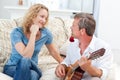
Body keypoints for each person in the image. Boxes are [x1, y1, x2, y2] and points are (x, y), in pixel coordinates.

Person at [3, 3, 63, 80]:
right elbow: (26, 55)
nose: (44, 20)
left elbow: (53, 52)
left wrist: (65, 64)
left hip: (32, 66)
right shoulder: (16, 33)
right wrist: (33, 34)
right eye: (42, 16)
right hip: (13, 67)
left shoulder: (46, 33)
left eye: (46, 18)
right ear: (33, 16)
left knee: (31, 70)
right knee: (32, 73)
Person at [55, 13, 113, 80]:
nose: (71, 28)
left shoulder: (103, 47)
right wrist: (62, 65)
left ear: (82, 31)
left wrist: (89, 68)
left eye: (73, 25)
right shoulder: (72, 43)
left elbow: (103, 74)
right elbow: (67, 60)